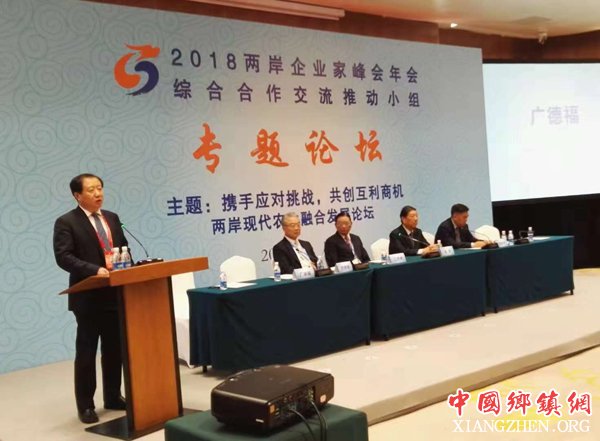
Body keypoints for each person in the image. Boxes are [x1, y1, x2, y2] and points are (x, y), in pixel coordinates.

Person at [53, 174, 127, 424]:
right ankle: (85, 405)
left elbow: (123, 247)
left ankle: (113, 396)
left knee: (114, 348)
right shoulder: (67, 222)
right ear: (77, 195)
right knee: (87, 351)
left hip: (114, 293)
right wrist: (94, 269)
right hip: (88, 296)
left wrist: (127, 265)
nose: (98, 194)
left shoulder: (112, 218)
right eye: (92, 190)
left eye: (100, 188)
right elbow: (64, 257)